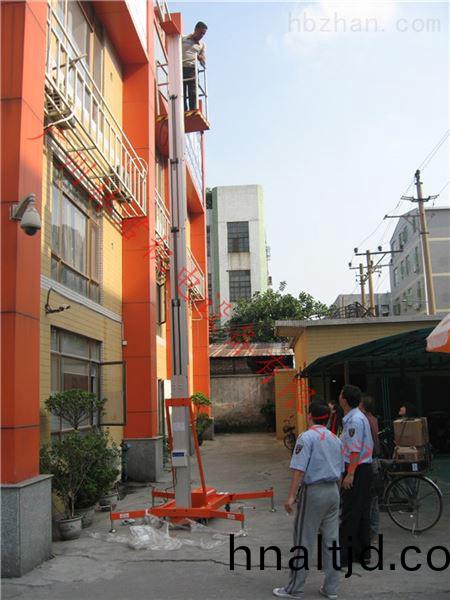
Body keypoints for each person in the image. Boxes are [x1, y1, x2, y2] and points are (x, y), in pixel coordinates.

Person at [273, 402, 344, 600]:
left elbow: (299, 469)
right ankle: (331, 588)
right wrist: (336, 495)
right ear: (327, 418)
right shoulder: (335, 439)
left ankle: (295, 588)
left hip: (314, 492)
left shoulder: (306, 437)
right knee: (332, 542)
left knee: (303, 540)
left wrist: (291, 496)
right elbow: (340, 471)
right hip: (332, 491)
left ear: (310, 415)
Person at [339, 384, 373, 569]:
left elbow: (354, 450)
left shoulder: (354, 420)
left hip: (357, 469)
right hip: (362, 469)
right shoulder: (356, 417)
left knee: (350, 512)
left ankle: (346, 555)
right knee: (361, 512)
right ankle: (362, 553)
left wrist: (350, 474)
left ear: (344, 400)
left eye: (340, 394)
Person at [360, 394, 380, 543]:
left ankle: (371, 531)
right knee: (373, 498)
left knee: (370, 499)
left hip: (369, 460)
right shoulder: (373, 418)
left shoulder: (364, 420)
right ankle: (373, 530)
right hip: (374, 459)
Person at [182, 22, 207, 111]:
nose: (202, 36)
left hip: (192, 70)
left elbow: (203, 62)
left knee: (193, 93)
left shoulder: (201, 45)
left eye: (203, 34)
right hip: (181, 68)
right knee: (182, 92)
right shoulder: (183, 38)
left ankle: (193, 110)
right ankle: (183, 110)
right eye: (201, 33)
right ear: (195, 29)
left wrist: (201, 58)